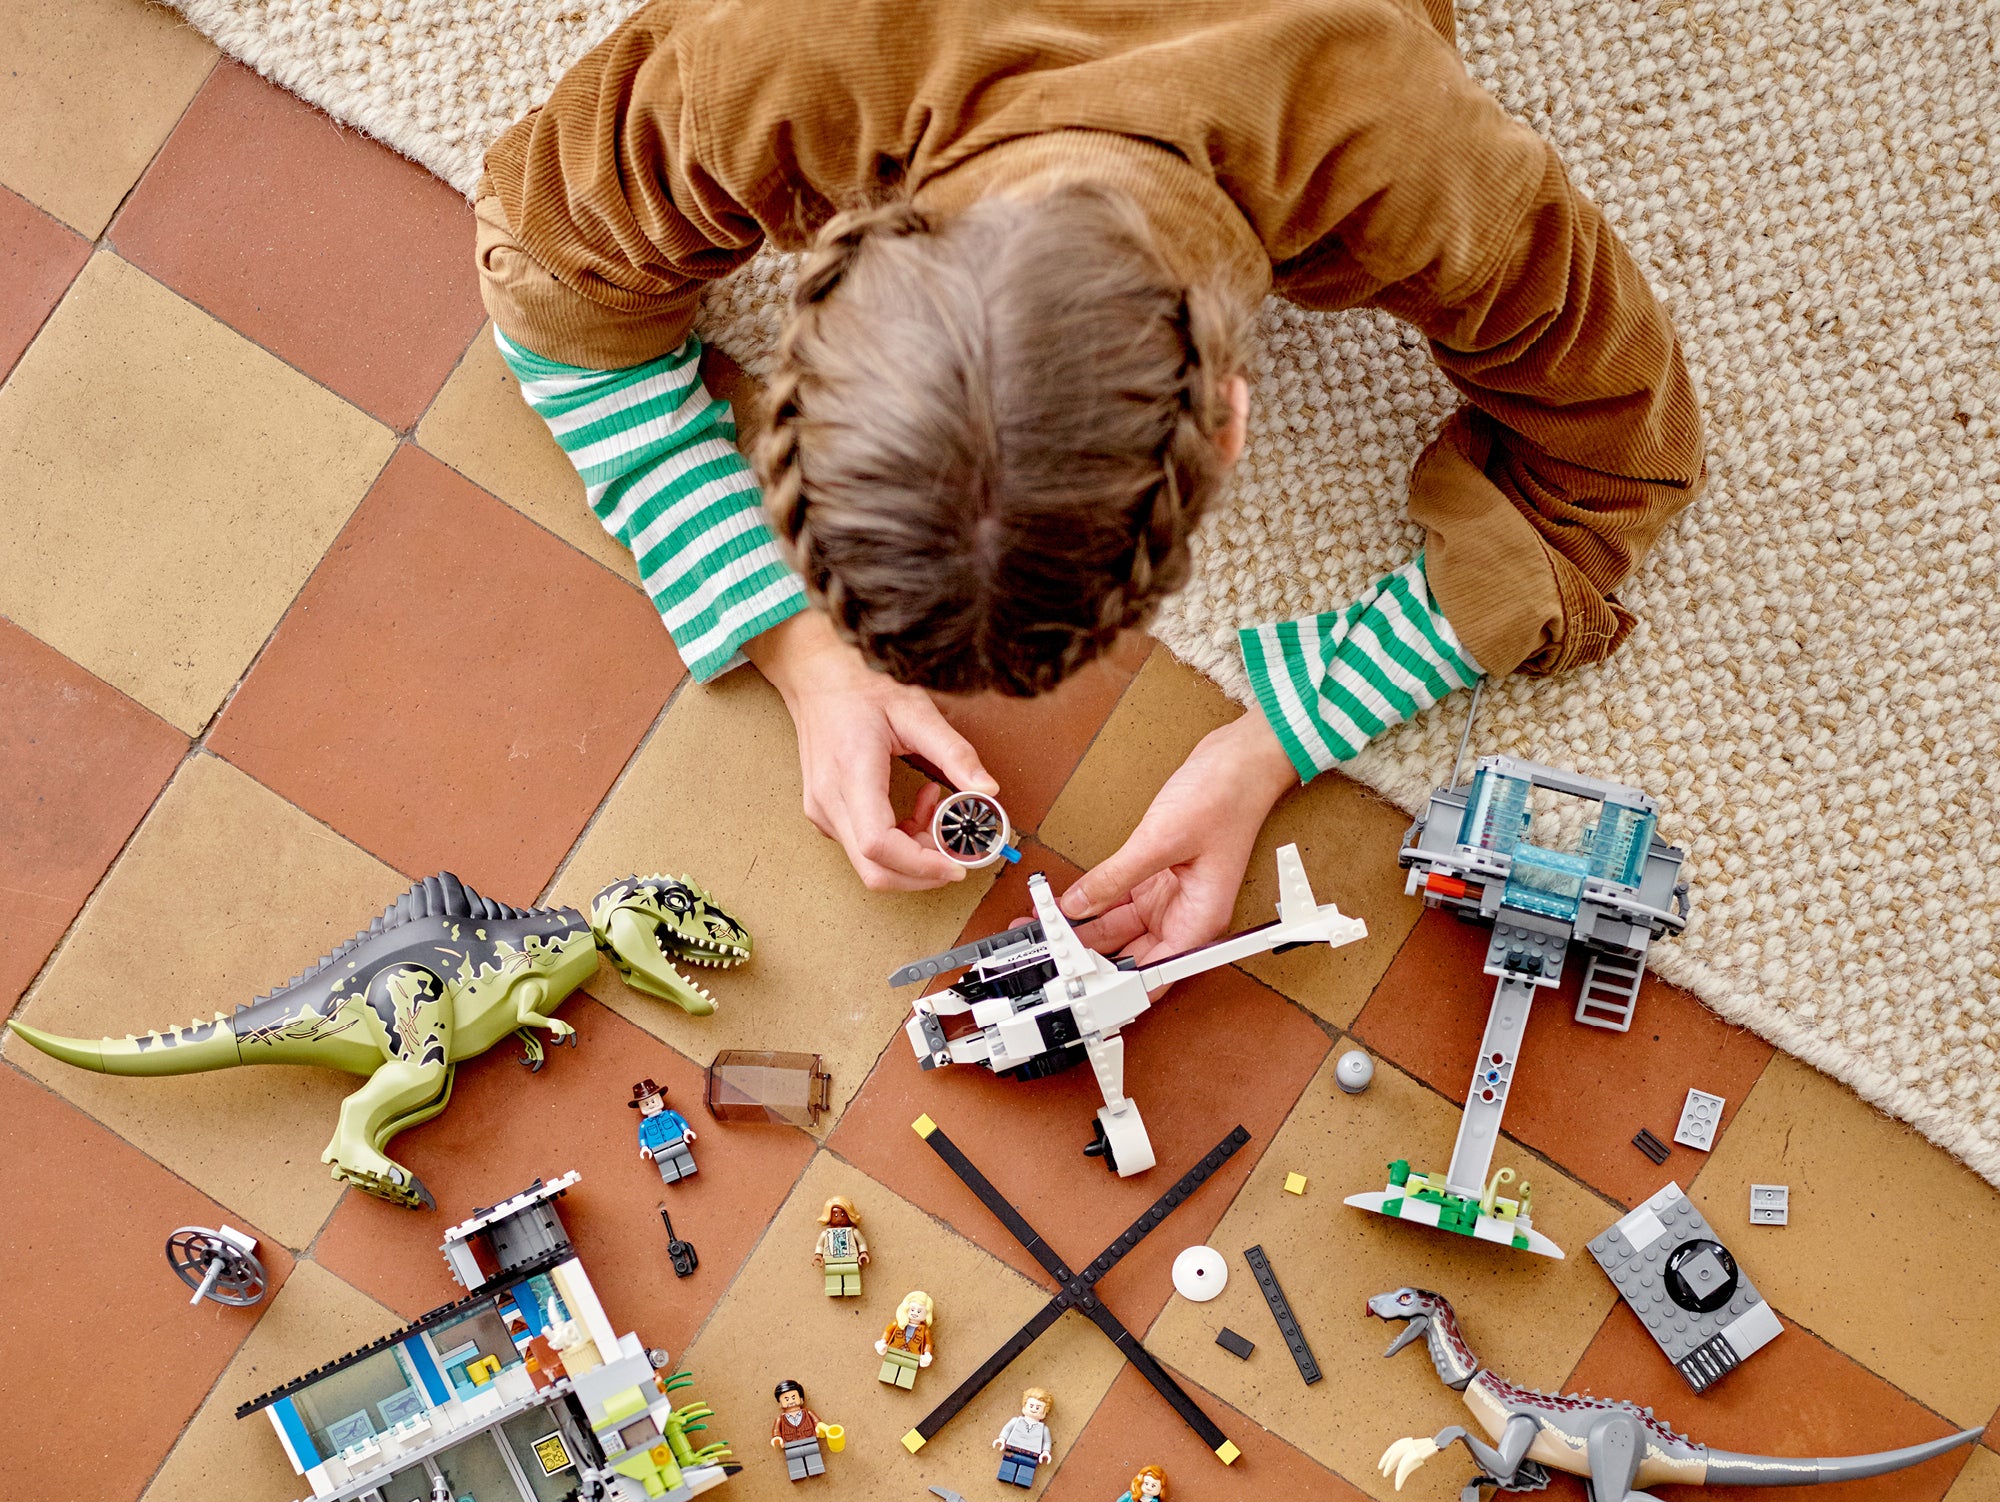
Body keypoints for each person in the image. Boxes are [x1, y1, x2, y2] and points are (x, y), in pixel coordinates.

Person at [475, 0, 1700, 959]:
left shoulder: (1413, 154)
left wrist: (1284, 737)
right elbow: (545, 275)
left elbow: (1619, 462)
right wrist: (796, 642)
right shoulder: (776, 54)